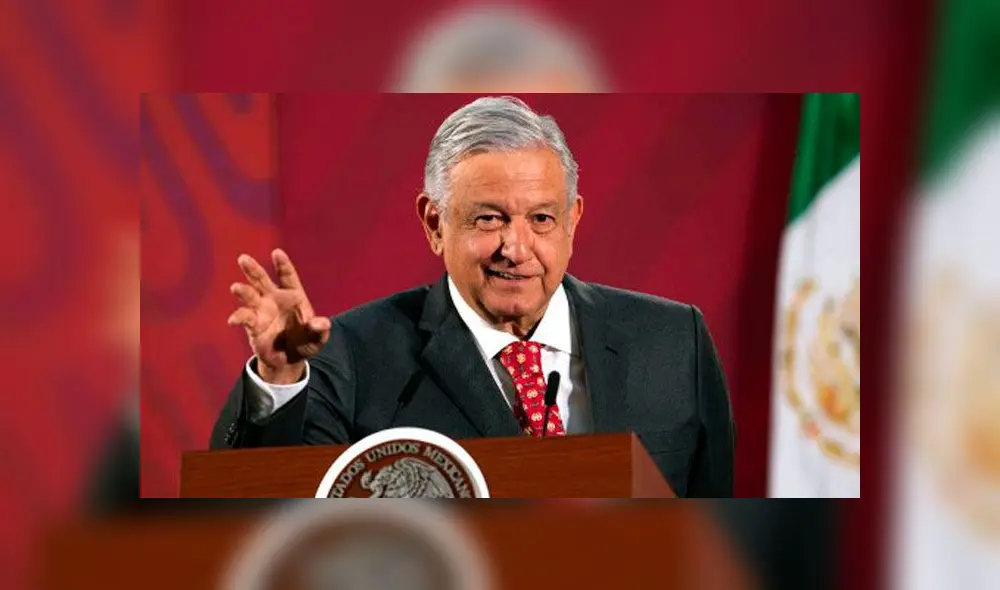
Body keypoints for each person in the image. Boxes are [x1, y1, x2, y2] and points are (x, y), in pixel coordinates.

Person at [212, 96, 735, 498]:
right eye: (489, 219)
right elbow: (261, 518)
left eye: (541, 218)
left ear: (573, 220)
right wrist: (279, 379)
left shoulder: (673, 342)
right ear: (434, 223)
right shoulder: (349, 355)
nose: (516, 248)